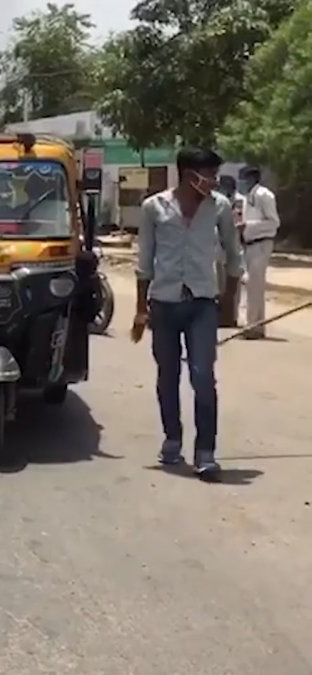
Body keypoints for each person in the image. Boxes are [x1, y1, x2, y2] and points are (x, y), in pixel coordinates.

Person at [132, 147, 243, 480]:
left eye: (215, 175)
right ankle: (172, 439)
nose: (213, 181)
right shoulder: (154, 207)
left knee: (202, 376)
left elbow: (233, 256)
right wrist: (140, 310)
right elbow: (144, 261)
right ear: (188, 175)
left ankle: (206, 452)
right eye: (208, 175)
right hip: (164, 304)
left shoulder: (220, 207)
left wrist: (229, 300)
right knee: (168, 376)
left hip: (202, 304)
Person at [237, 166, 281, 339]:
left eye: (243, 178)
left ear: (251, 178)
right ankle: (256, 325)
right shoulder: (249, 197)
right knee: (250, 285)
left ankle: (253, 326)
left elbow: (273, 222)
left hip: (261, 244)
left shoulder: (264, 195)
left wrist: (248, 226)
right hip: (249, 244)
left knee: (255, 286)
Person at [214, 175, 244, 327]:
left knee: (234, 283)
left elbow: (239, 223)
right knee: (220, 283)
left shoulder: (240, 201)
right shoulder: (217, 202)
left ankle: (232, 316)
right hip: (219, 247)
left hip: (235, 245)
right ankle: (221, 314)